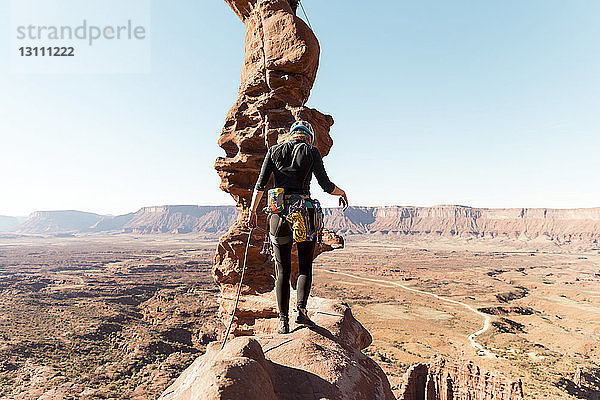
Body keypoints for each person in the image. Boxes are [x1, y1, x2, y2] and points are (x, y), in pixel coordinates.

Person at [247, 120, 348, 334]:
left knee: (282, 269)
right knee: (304, 265)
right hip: (303, 215)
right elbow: (326, 186)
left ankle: (283, 322)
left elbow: (260, 185)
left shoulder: (274, 151)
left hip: (278, 216)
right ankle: (301, 313)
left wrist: (251, 213)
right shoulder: (311, 152)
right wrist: (343, 193)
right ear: (308, 136)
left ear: (291, 135)